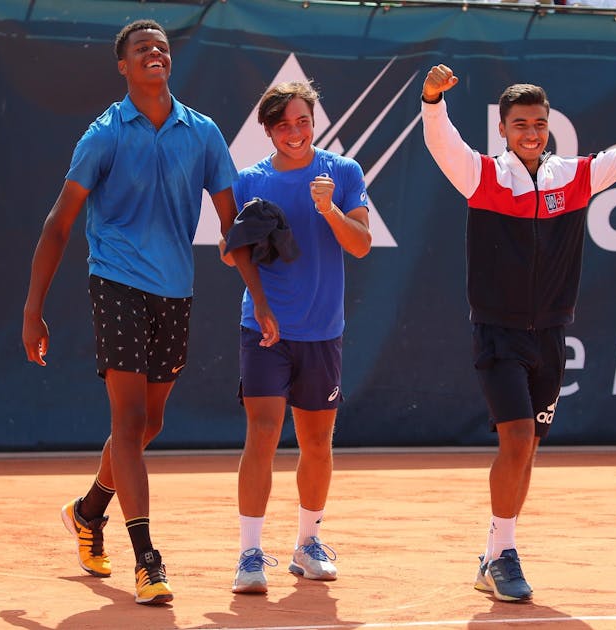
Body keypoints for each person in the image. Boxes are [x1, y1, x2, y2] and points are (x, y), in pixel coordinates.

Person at [420, 65, 616, 603]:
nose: (531, 133)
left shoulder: (574, 177)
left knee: (528, 451)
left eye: (540, 123)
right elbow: (442, 142)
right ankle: (504, 553)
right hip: (498, 333)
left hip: (551, 335)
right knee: (518, 439)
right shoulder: (481, 175)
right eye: (520, 124)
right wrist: (433, 100)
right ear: (502, 129)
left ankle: (492, 553)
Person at [21, 19, 263, 605]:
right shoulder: (102, 135)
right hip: (116, 283)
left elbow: (231, 226)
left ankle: (87, 512)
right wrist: (33, 310)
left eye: (161, 47)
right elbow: (59, 224)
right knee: (128, 426)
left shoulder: (203, 133)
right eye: (140, 49)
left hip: (175, 292)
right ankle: (147, 559)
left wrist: (257, 283)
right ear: (123, 67)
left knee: (149, 426)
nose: (154, 53)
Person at [218, 81, 372, 594]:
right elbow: (230, 250)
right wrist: (257, 294)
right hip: (264, 326)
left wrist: (329, 210)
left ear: (315, 121)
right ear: (268, 130)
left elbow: (362, 245)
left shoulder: (344, 173)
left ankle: (308, 545)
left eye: (303, 120)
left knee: (317, 444)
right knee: (262, 433)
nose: (295, 132)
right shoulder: (248, 181)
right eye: (283, 124)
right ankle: (249, 554)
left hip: (323, 331)